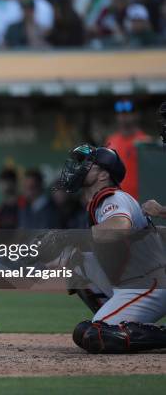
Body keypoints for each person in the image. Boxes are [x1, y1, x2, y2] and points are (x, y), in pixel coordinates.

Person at [53, 144, 166, 353]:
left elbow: (120, 227)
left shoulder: (112, 196)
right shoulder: (102, 201)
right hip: (134, 281)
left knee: (94, 334)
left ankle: (120, 327)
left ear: (104, 175)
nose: (80, 168)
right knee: (75, 261)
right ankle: (116, 320)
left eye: (88, 164)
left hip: (149, 285)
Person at [104, 99, 149, 199]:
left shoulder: (144, 142)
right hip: (116, 199)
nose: (124, 117)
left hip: (139, 200)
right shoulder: (111, 141)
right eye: (120, 114)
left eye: (128, 113)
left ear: (136, 115)